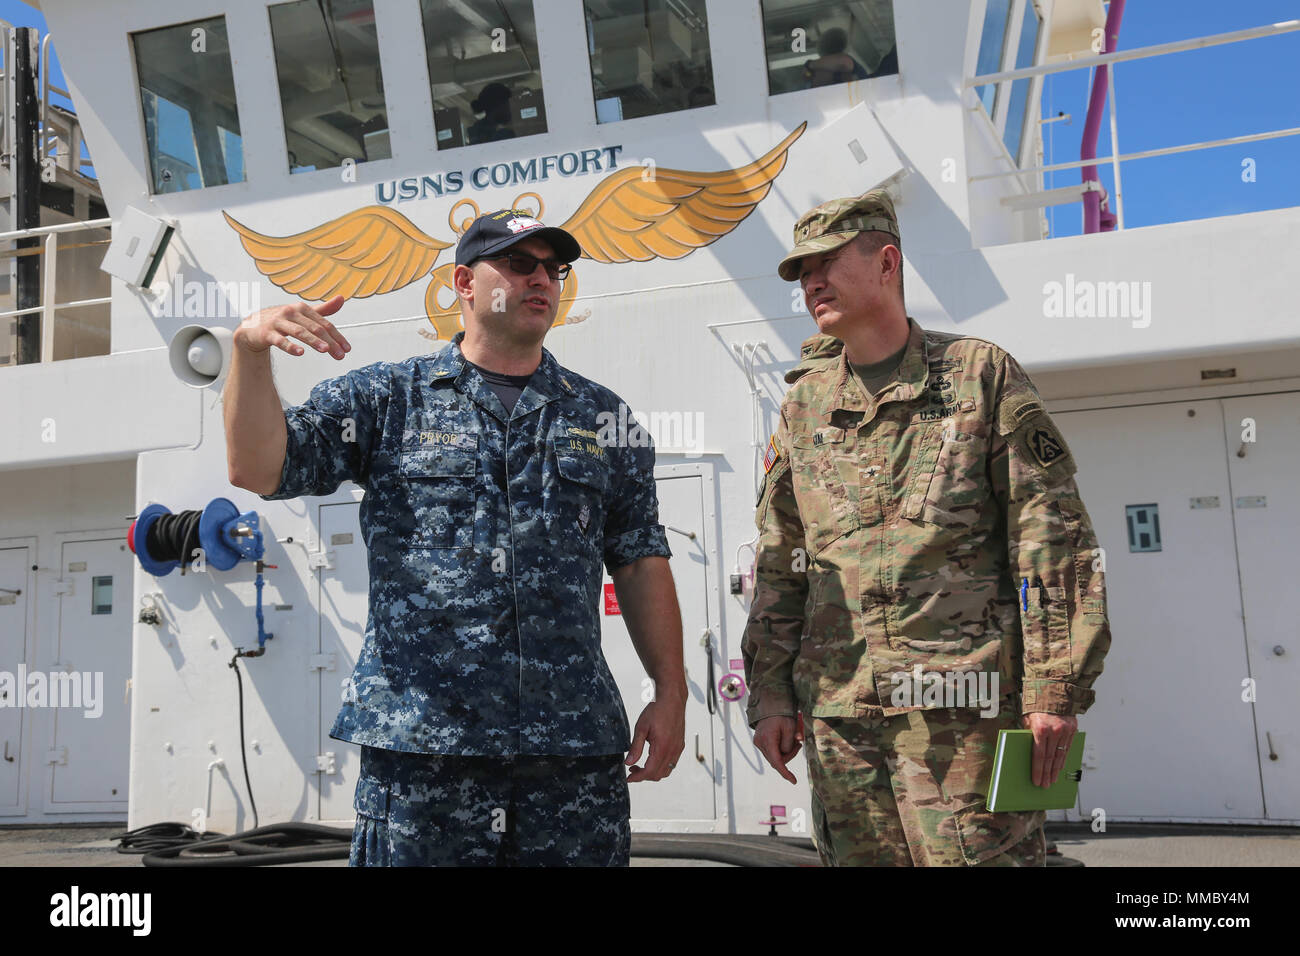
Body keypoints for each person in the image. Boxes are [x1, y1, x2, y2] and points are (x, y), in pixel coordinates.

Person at [224, 209, 686, 866]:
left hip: (569, 760)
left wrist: (671, 692)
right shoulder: (387, 399)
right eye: (520, 264)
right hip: (424, 759)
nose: (542, 280)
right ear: (464, 282)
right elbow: (258, 467)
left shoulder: (605, 419)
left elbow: (640, 563)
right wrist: (248, 353)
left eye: (554, 269)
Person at [742, 190, 1111, 866]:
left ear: (887, 262)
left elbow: (1050, 541)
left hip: (968, 719)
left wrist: (1054, 687)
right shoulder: (804, 408)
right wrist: (768, 694)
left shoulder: (979, 375)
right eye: (801, 272)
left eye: (827, 261)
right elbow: (780, 562)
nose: (812, 282)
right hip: (842, 723)